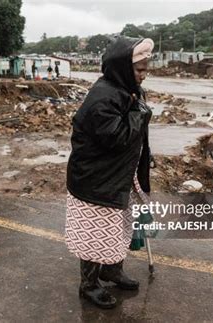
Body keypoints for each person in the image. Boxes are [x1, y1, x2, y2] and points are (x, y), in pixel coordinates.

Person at [65, 37, 154, 309]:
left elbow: (134, 137)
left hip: (118, 176)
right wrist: (140, 113)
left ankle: (111, 270)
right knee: (95, 232)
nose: (143, 74)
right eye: (139, 69)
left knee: (118, 228)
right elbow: (116, 137)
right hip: (96, 180)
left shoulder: (128, 90)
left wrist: (145, 156)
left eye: (145, 68)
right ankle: (89, 285)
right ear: (122, 67)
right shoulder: (103, 96)